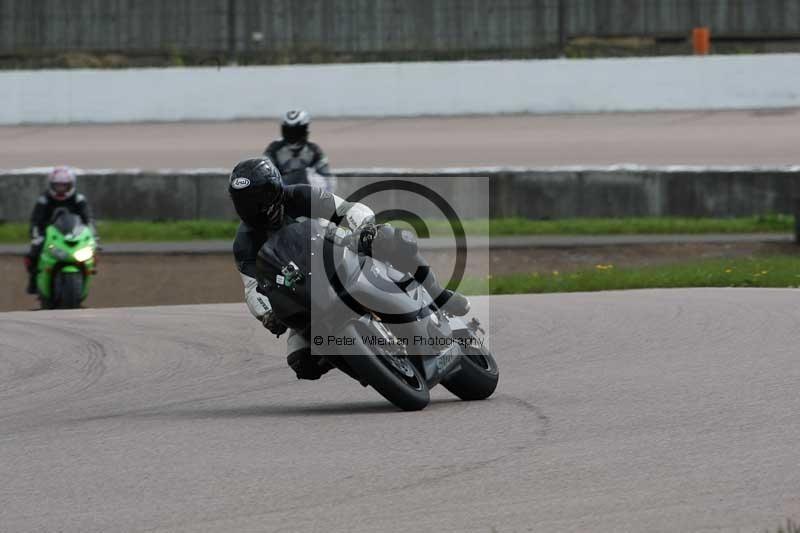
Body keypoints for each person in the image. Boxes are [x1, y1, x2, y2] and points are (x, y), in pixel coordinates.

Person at [228, 157, 470, 380]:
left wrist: (362, 230)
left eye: (258, 198)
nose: (253, 207)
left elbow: (348, 210)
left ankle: (438, 294)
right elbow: (253, 288)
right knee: (302, 362)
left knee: (390, 237)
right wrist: (267, 313)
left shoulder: (300, 196)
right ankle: (367, 363)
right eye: (243, 202)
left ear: (274, 189)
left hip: (342, 253)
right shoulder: (244, 243)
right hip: (306, 293)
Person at [25, 167, 96, 295]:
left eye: (64, 186)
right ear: (51, 185)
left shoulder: (78, 199)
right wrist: (36, 236)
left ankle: (90, 270)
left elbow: (88, 219)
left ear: (71, 185)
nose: (61, 189)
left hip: (74, 234)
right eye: (57, 186)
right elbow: (35, 221)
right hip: (49, 235)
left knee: (91, 251)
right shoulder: (44, 200)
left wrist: (93, 237)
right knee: (33, 253)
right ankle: (33, 280)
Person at [263, 109, 336, 191]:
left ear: (305, 130)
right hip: (282, 193)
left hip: (308, 194)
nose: (292, 135)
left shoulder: (314, 150)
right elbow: (265, 173)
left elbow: (327, 178)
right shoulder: (273, 149)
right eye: (289, 131)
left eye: (296, 131)